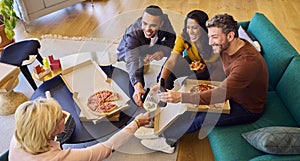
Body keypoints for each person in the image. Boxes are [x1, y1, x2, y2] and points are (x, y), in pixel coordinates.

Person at [139, 13, 269, 153]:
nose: (210, 41)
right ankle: (160, 123)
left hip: (246, 107)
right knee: (192, 102)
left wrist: (180, 97)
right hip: (231, 90)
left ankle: (166, 140)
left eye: (214, 37)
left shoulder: (246, 63)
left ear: (230, 36)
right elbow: (220, 73)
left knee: (203, 117)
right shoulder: (228, 46)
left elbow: (219, 94)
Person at [9, 98, 150, 161]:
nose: (65, 115)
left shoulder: (22, 132)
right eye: (60, 117)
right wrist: (136, 123)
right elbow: (106, 149)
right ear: (48, 129)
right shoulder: (56, 158)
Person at [117, 5, 176, 107]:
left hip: (149, 45)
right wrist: (137, 86)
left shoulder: (165, 20)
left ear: (161, 24)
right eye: (145, 23)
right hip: (129, 50)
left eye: (153, 25)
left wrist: (162, 52)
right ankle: (140, 90)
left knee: (174, 52)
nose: (147, 29)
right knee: (138, 64)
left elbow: (171, 38)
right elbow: (132, 59)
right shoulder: (133, 33)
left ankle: (162, 82)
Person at [159, 10, 225, 90]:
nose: (190, 32)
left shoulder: (215, 39)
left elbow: (223, 65)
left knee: (188, 83)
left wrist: (209, 67)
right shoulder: (184, 36)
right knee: (166, 75)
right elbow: (171, 61)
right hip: (194, 63)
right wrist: (161, 83)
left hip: (214, 68)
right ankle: (162, 97)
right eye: (188, 27)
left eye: (194, 28)